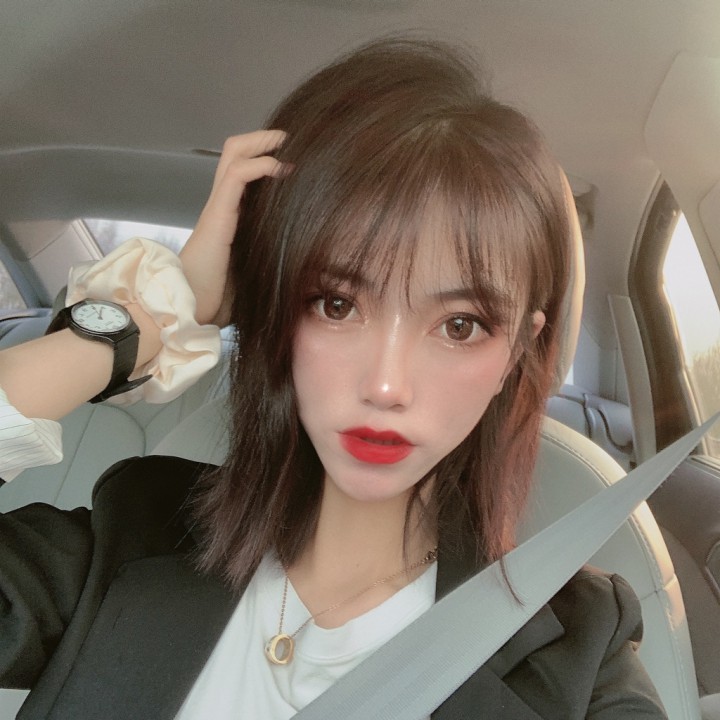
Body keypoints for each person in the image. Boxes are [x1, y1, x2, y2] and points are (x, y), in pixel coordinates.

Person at [0, 37, 666, 719]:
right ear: (276, 312)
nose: (386, 386)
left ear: (518, 352)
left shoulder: (581, 648)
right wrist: (151, 316)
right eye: (337, 305)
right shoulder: (126, 540)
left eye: (461, 325)